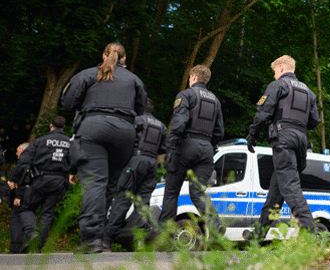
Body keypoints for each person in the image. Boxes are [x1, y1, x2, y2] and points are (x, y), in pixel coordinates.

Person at [61, 42, 148, 253]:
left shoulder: (88, 74)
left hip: (93, 129)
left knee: (95, 183)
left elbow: (67, 102)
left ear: (103, 55)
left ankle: (91, 238)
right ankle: (101, 237)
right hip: (125, 132)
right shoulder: (135, 80)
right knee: (109, 184)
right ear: (124, 59)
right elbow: (141, 108)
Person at [247, 55, 321, 240]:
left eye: (274, 71)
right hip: (301, 142)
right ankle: (257, 236)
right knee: (276, 192)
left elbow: (263, 113)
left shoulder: (279, 85)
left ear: (280, 68)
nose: (274, 75)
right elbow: (314, 121)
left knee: (290, 187)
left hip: (284, 139)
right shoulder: (308, 92)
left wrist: (253, 135)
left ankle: (314, 234)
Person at [159, 65, 224, 235]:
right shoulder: (215, 101)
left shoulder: (186, 95)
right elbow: (219, 132)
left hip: (186, 146)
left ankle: (163, 234)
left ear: (194, 77)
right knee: (197, 192)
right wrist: (210, 146)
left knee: (172, 191)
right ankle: (216, 226)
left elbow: (179, 123)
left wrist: (170, 147)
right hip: (206, 149)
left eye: (189, 78)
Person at [103, 99, 167, 250]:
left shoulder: (135, 120)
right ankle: (139, 240)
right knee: (143, 203)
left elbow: (124, 139)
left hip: (134, 161)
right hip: (152, 164)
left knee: (123, 199)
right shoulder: (161, 126)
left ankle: (107, 240)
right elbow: (164, 148)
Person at [7, 116, 71, 252]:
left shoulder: (41, 141)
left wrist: (13, 177)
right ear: (64, 127)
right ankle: (38, 246)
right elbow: (77, 160)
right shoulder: (71, 143)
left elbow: (24, 161)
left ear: (50, 126)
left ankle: (32, 234)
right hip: (59, 182)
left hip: (40, 180)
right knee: (47, 214)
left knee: (25, 208)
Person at [8, 142, 35, 254]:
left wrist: (18, 195)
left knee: (19, 221)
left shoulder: (26, 164)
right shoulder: (33, 162)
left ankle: (18, 248)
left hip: (23, 197)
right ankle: (16, 248)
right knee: (17, 221)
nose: (16, 153)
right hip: (25, 196)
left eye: (18, 150)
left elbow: (25, 182)